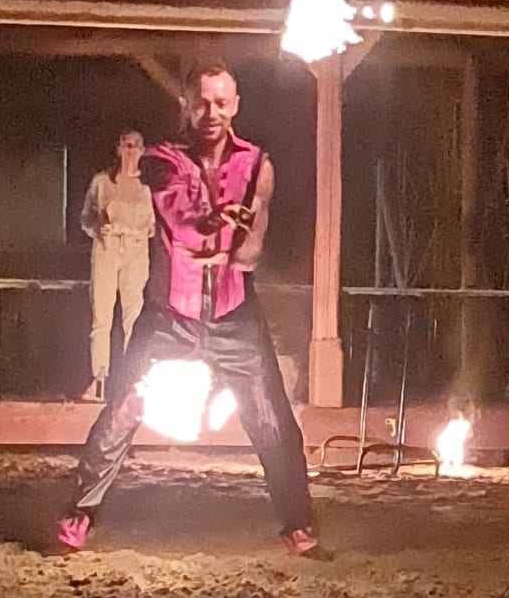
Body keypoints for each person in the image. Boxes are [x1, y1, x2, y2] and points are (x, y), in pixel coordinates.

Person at [57, 64, 321, 557]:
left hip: (234, 313)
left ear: (235, 105)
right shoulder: (161, 159)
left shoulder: (257, 164)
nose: (211, 113)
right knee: (123, 407)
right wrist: (217, 228)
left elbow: (250, 249)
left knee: (271, 419)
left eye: (221, 103)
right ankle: (79, 514)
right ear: (186, 104)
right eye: (202, 102)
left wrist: (232, 244)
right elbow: (181, 225)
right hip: (168, 315)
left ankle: (299, 528)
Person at [80, 129, 155, 400]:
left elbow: (154, 226)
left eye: (136, 145)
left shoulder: (148, 188)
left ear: (143, 150)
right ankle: (99, 378)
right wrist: (97, 227)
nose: (131, 150)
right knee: (102, 316)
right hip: (107, 248)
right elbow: (86, 217)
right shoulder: (102, 182)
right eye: (126, 145)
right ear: (118, 148)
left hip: (136, 249)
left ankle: (131, 381)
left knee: (133, 316)